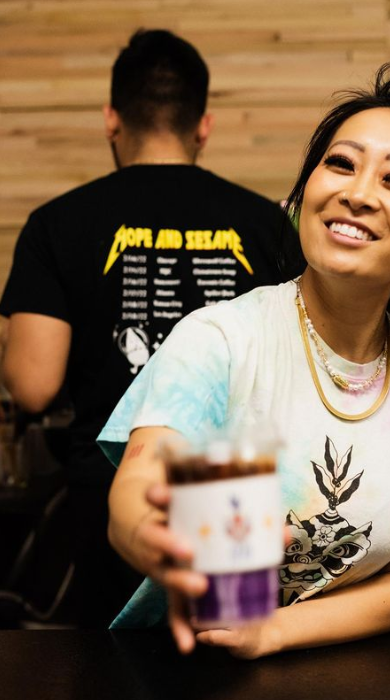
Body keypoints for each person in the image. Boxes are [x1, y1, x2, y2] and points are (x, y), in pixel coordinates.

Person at [98, 61, 390, 657]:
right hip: (188, 667)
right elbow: (139, 483)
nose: (356, 193)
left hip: (352, 672)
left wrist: (275, 630)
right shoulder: (222, 339)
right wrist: (149, 534)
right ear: (303, 193)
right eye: (340, 164)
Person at [0, 29, 284, 627]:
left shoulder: (56, 225)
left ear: (111, 118)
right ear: (203, 126)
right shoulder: (267, 225)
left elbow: (33, 386)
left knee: (106, 664)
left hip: (106, 496)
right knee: (235, 653)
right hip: (234, 494)